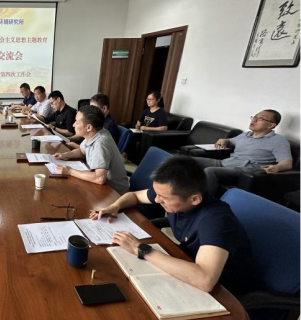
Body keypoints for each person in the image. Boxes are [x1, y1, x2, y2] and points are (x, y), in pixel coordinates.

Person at [90, 156, 256, 297]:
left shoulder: (216, 220)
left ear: (195, 199)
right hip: (186, 264)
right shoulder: (172, 193)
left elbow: (205, 280)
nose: (157, 200)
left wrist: (139, 249)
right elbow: (134, 195)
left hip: (223, 291)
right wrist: (115, 206)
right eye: (157, 194)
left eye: (163, 198)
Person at [193, 109, 292, 196]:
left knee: (210, 171)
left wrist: (277, 167)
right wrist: (224, 140)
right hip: (226, 163)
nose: (254, 120)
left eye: (261, 118)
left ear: (271, 125)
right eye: (254, 117)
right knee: (186, 161)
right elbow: (230, 142)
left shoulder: (279, 141)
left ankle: (202, 204)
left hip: (246, 170)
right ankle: (185, 193)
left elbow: (287, 163)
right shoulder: (246, 135)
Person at [54, 105, 129, 194]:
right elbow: (82, 151)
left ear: (89, 127)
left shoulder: (101, 143)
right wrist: (65, 155)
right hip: (100, 186)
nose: (73, 125)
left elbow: (99, 178)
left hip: (114, 193)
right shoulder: (94, 133)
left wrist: (70, 171)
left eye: (77, 122)